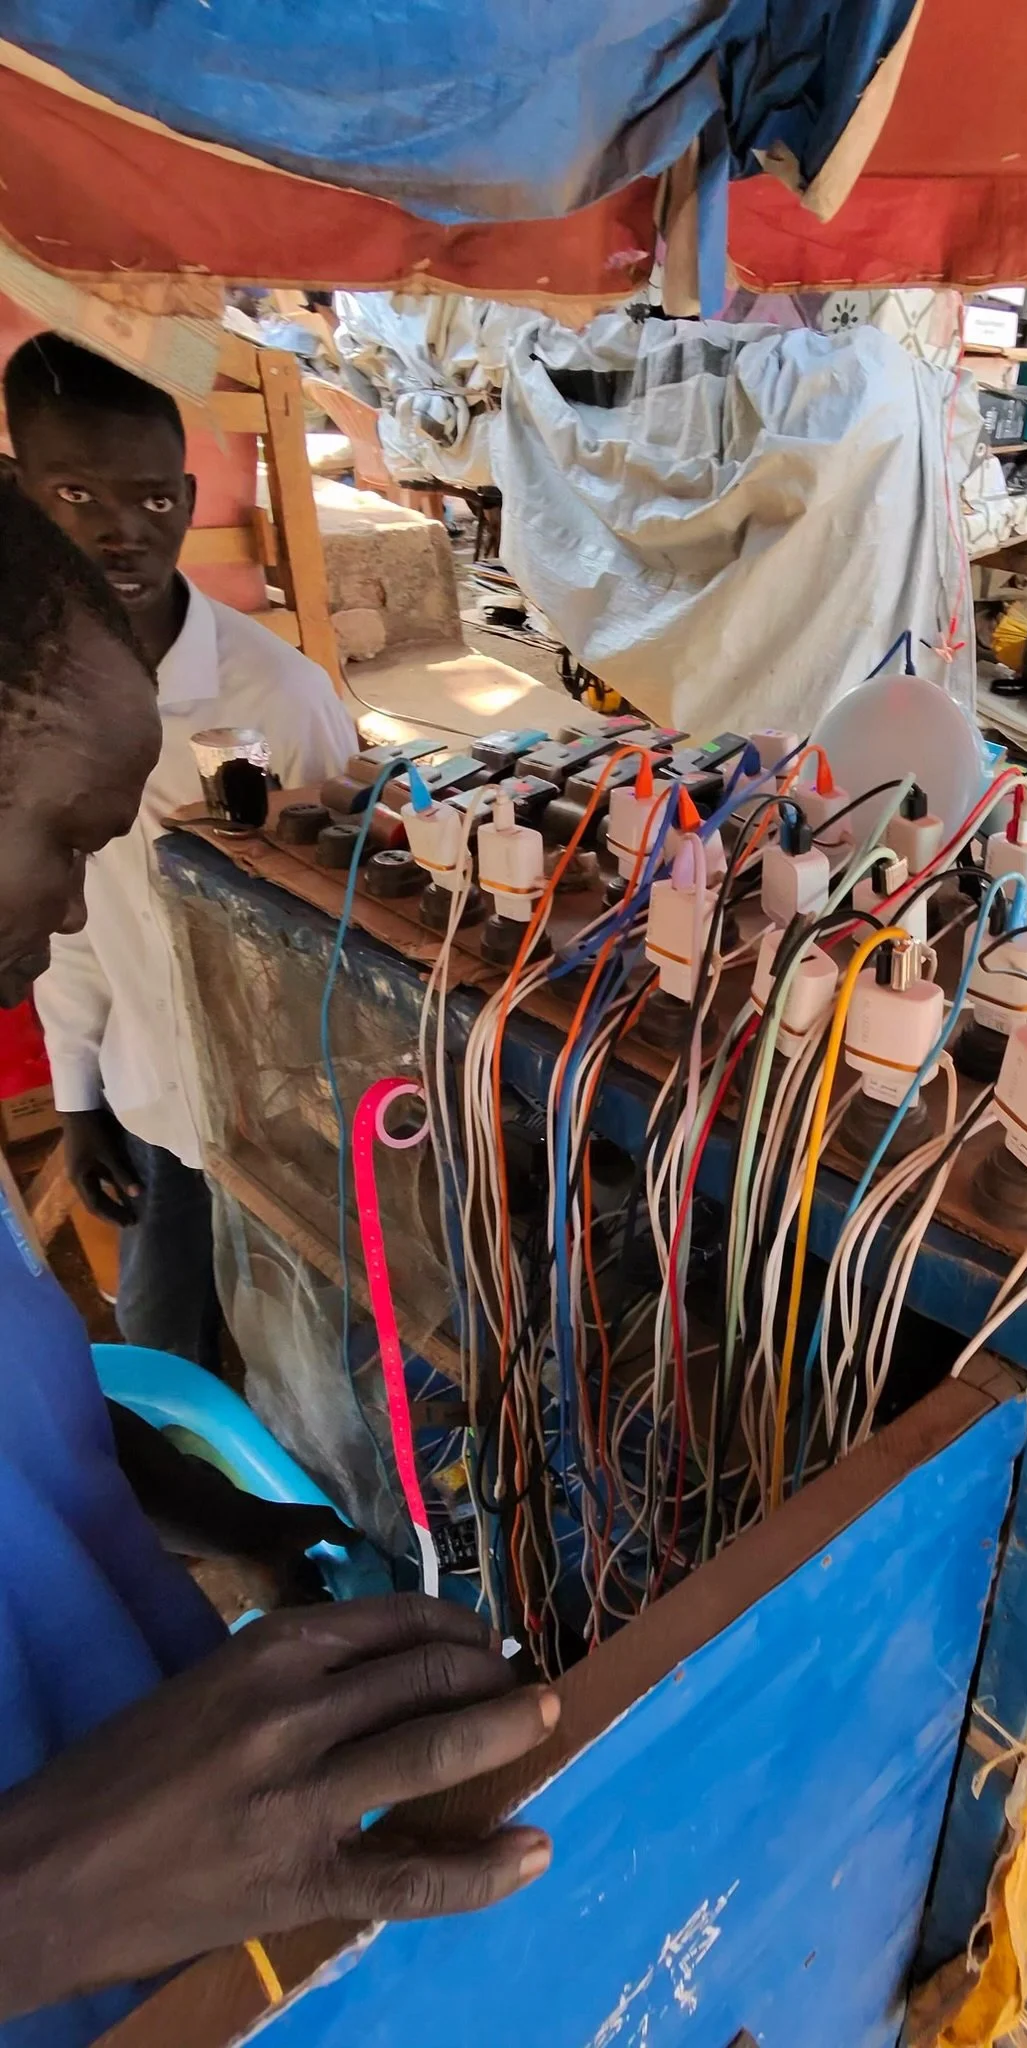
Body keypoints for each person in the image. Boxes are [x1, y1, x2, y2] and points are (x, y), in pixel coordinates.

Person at [0, 473, 558, 2046]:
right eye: (58, 841)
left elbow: (32, 1423)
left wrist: (231, 1518)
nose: (63, 911)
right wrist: (41, 1892)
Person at [3, 333, 357, 1368]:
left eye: (154, 502)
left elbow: (344, 927)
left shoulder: (279, 699)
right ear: (22, 490)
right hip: (150, 1096)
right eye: (77, 494)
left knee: (315, 1367)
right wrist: (80, 1097)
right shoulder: (27, 712)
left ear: (188, 494)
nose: (121, 533)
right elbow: (67, 928)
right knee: (165, 1346)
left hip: (296, 1122)